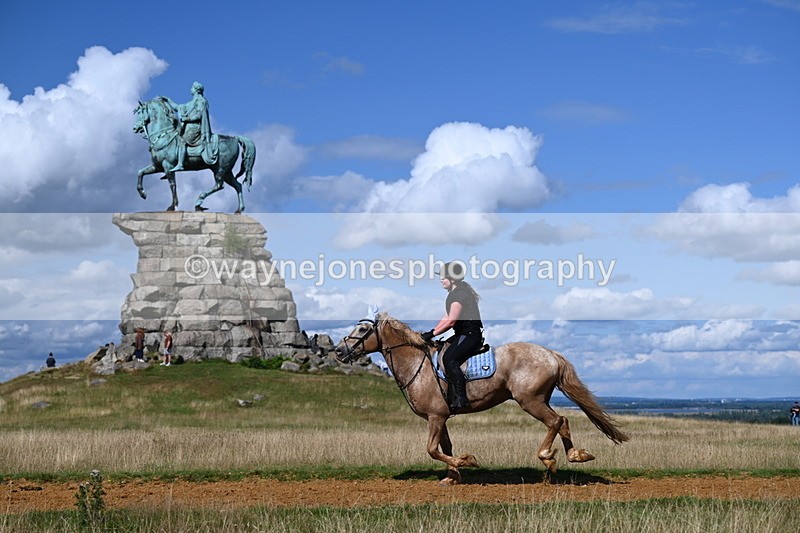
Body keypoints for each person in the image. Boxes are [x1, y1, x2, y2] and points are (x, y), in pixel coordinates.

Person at [420, 261, 483, 413]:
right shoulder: (455, 294)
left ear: (452, 279)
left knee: (449, 358)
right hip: (461, 334)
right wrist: (432, 331)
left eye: (444, 277)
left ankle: (461, 398)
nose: (441, 279)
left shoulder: (460, 295)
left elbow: (451, 322)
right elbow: (447, 317)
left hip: (470, 335)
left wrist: (433, 334)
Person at [161, 81, 214, 170]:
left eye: (192, 88)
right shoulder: (191, 103)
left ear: (197, 90)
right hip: (188, 127)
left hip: (194, 128)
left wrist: (186, 119)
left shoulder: (201, 101)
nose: (190, 89)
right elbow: (178, 107)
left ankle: (180, 164)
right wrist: (168, 100)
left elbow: (199, 115)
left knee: (180, 140)